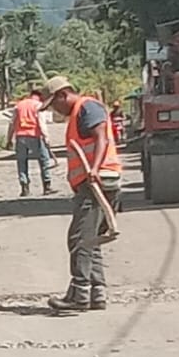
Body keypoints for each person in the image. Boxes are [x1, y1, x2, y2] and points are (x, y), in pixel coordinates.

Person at [39, 75, 122, 313]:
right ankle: (97, 294)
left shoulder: (87, 107)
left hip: (97, 182)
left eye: (54, 104)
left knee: (79, 239)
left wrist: (94, 169)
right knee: (92, 239)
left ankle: (79, 295)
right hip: (93, 182)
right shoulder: (77, 113)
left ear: (63, 95)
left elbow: (101, 137)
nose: (55, 110)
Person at [6, 87, 54, 196]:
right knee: (44, 160)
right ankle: (47, 186)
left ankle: (24, 188)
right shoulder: (38, 106)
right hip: (35, 136)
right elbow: (41, 123)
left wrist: (9, 139)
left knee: (22, 162)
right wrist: (46, 138)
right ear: (40, 96)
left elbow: (12, 123)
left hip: (20, 137)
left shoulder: (19, 105)